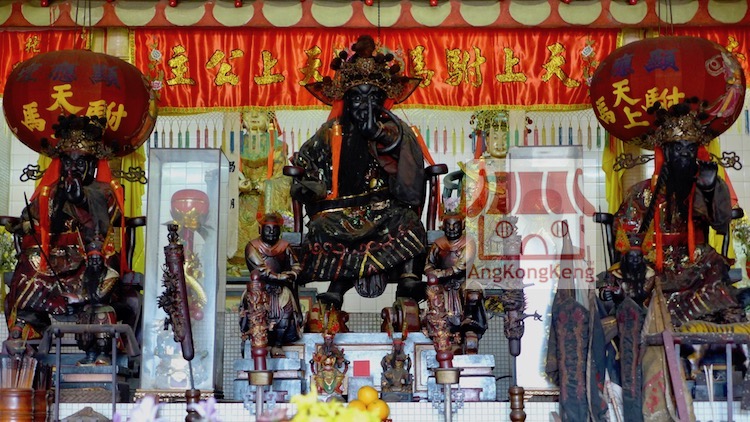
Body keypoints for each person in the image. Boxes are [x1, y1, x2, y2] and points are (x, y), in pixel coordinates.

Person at [292, 34, 425, 309]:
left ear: (382, 100)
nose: (364, 105)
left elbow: (409, 159)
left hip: (384, 209)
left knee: (408, 221)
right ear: (346, 100)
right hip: (341, 212)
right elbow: (307, 161)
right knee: (319, 228)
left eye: (372, 97)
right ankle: (337, 288)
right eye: (357, 98)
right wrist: (308, 183)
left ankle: (408, 277)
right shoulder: (332, 131)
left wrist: (378, 133)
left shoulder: (393, 128)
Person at [3, 115, 126, 340]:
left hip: (88, 253)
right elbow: (32, 215)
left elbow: (106, 220)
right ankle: (26, 329)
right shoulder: (50, 191)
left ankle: (93, 332)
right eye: (68, 162)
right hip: (52, 255)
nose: (72, 169)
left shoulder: (103, 190)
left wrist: (81, 198)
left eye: (80, 163)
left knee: (102, 272)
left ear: (92, 164)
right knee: (29, 266)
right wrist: (25, 223)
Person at [240, 213, 303, 356]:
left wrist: (293, 273)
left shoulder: (284, 246)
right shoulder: (252, 246)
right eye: (267, 229)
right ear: (260, 229)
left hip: (281, 288)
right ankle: (254, 341)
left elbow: (296, 265)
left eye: (275, 229)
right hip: (259, 288)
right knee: (252, 312)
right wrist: (279, 277)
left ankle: (278, 344)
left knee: (286, 311)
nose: (271, 232)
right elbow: (261, 270)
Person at [424, 213, 485, 352]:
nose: (452, 229)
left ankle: (468, 318)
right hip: (442, 283)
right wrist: (431, 273)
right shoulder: (438, 244)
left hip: (462, 280)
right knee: (434, 294)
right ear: (443, 227)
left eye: (455, 225)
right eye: (448, 225)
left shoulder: (468, 242)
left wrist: (441, 273)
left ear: (462, 226)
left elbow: (460, 267)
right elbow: (428, 265)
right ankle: (438, 324)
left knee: (472, 293)